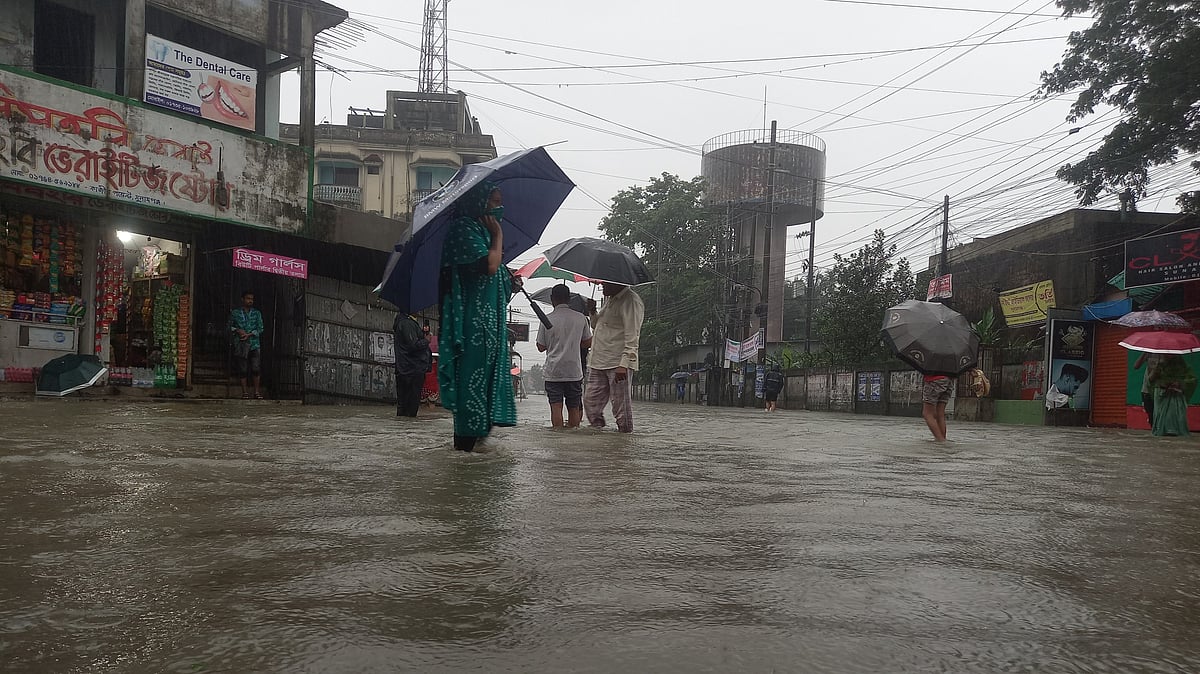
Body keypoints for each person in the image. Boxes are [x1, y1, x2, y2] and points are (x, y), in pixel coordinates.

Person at [438, 181, 518, 452]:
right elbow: (489, 266)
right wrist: (498, 236)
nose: (500, 207)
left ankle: (475, 451)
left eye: (500, 201)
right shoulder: (463, 230)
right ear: (479, 202)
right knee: (471, 389)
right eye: (494, 201)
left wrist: (512, 282)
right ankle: (463, 451)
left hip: (491, 330)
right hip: (471, 329)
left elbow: (498, 283)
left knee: (486, 391)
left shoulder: (482, 233)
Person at [584, 282, 645, 433]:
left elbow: (633, 335)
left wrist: (624, 364)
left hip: (617, 363)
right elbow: (597, 326)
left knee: (621, 408)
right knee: (590, 403)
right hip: (598, 361)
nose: (602, 286)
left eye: (605, 283)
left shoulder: (630, 301)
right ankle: (599, 438)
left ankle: (624, 442)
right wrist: (592, 311)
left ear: (617, 282)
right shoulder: (610, 300)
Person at [536, 284, 593, 427]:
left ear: (551, 299)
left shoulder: (546, 319)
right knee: (574, 408)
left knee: (556, 408)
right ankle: (572, 440)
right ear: (569, 299)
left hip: (553, 372)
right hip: (574, 372)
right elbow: (588, 343)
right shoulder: (581, 318)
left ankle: (558, 439)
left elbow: (541, 347)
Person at [228, 290, 264, 399]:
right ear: (242, 299)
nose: (250, 301)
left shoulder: (257, 313)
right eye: (248, 298)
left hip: (254, 344)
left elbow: (261, 328)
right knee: (243, 369)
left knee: (256, 368)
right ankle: (245, 393)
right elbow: (229, 326)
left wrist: (249, 334)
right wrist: (238, 330)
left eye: (252, 299)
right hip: (241, 344)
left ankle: (256, 392)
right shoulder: (235, 313)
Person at [393, 313, 431, 417]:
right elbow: (413, 345)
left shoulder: (409, 323)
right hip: (411, 370)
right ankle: (406, 431)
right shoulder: (406, 323)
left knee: (405, 408)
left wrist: (421, 334)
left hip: (408, 368)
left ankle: (404, 431)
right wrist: (426, 340)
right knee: (410, 409)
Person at [1148, 355, 1196, 437]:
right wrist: (1157, 373)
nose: (1168, 356)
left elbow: (1192, 380)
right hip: (1161, 395)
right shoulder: (1159, 365)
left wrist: (1179, 383)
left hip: (1176, 396)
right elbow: (1151, 380)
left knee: (1175, 419)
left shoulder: (1183, 366)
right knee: (1161, 421)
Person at [921, 373, 953, 441]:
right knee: (940, 413)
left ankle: (940, 440)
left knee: (927, 413)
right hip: (948, 380)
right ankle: (942, 440)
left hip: (934, 380)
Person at [1134, 352, 1164, 424]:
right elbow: (1136, 366)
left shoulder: (1166, 354)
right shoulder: (1149, 353)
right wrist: (1145, 353)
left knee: (1161, 416)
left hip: (1160, 390)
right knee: (1151, 416)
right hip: (1147, 390)